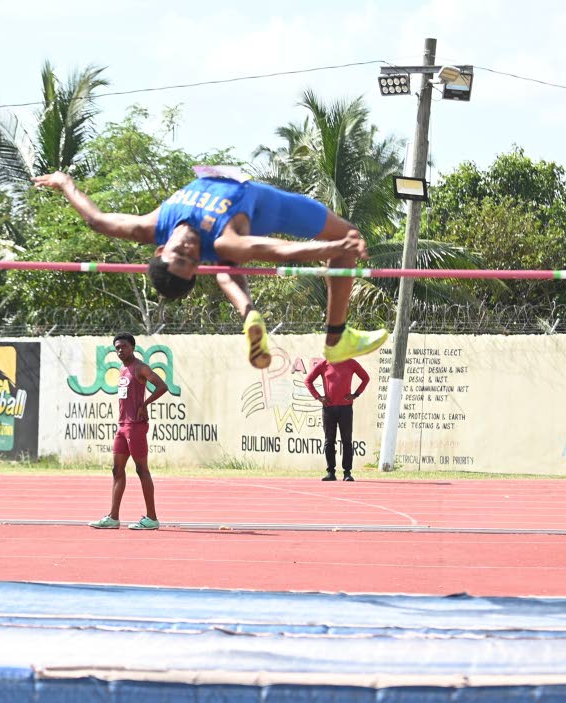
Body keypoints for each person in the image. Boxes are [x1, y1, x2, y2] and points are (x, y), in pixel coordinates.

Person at [33, 166, 388, 370]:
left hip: (248, 188)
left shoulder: (151, 225)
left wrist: (66, 183)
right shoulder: (220, 241)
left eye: (180, 255)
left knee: (227, 267)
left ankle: (253, 315)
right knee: (347, 236)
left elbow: (97, 221)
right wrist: (335, 246)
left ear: (161, 247)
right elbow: (274, 249)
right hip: (269, 206)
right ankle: (337, 337)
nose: (189, 250)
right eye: (191, 260)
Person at [89, 332, 169, 530]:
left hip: (135, 426)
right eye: (117, 347)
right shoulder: (122, 367)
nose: (120, 350)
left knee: (142, 469)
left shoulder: (140, 367)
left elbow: (162, 386)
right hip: (122, 425)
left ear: (132, 347)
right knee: (117, 470)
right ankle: (113, 517)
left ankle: (151, 518)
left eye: (123, 346)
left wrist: (145, 404)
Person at [304, 356, 370, 482]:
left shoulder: (351, 362)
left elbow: (365, 378)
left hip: (345, 409)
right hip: (328, 409)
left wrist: (355, 394)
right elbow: (308, 381)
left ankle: (347, 473)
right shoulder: (324, 364)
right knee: (329, 441)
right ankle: (331, 472)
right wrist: (319, 397)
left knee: (347, 441)